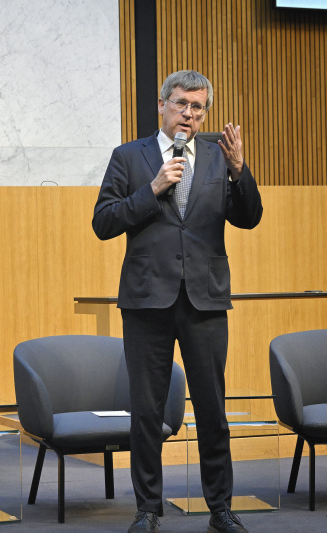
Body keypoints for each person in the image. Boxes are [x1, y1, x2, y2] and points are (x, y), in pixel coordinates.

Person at [92, 70, 263, 533]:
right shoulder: (129, 156)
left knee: (212, 409)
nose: (190, 114)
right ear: (162, 104)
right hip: (148, 300)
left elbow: (249, 218)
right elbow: (104, 222)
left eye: (199, 107)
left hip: (205, 300)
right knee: (147, 411)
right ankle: (148, 508)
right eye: (182, 103)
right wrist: (151, 190)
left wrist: (240, 172)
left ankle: (220, 508)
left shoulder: (217, 157)